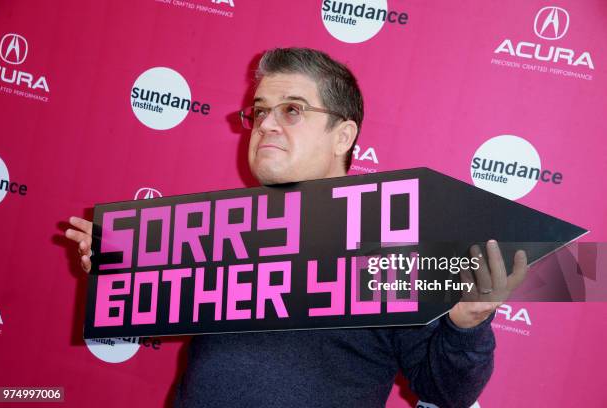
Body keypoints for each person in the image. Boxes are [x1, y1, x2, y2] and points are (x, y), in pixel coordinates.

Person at [65, 47, 528, 408]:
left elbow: (446, 392)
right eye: (259, 111)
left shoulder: (394, 245)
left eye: (292, 110)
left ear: (343, 136)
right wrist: (120, 273)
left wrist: (467, 325)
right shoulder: (211, 229)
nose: (266, 124)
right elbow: (145, 312)